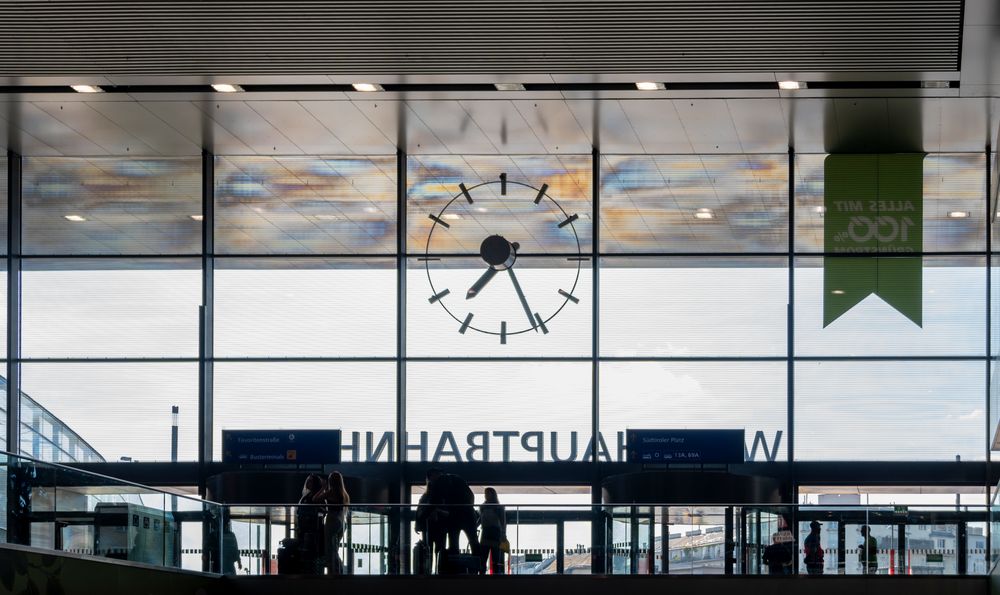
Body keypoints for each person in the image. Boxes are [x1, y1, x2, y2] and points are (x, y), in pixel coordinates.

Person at [424, 468, 480, 573]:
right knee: (474, 542)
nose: (430, 481)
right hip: (469, 514)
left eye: (430, 479)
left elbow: (432, 503)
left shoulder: (438, 483)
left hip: (454, 516)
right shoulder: (457, 478)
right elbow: (471, 495)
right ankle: (478, 569)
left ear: (432, 476)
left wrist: (424, 515)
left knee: (454, 543)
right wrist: (468, 508)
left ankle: (455, 570)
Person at [316, 471, 350, 575]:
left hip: (332, 521)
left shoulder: (332, 491)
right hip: (341, 522)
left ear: (331, 481)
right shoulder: (343, 493)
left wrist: (323, 487)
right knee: (334, 549)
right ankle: (339, 571)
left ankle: (333, 573)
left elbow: (316, 498)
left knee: (330, 550)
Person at [295, 473, 325, 571]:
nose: (307, 482)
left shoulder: (319, 496)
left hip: (313, 531)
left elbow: (322, 511)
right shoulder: (306, 495)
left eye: (310, 481)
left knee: (311, 554)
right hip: (303, 528)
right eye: (307, 480)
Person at [479, 487, 507, 574]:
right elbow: (503, 522)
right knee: (485, 557)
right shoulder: (495, 507)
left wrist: (503, 533)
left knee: (490, 556)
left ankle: (487, 574)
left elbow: (503, 522)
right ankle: (492, 575)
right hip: (491, 532)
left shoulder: (487, 507)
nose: (486, 495)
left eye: (487, 494)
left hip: (491, 532)